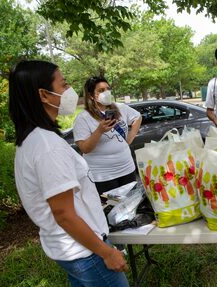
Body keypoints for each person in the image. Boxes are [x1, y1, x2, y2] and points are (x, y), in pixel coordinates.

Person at [8, 60, 129, 287]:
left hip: (73, 250)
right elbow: (63, 214)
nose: (69, 90)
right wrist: (106, 252)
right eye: (63, 85)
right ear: (44, 95)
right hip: (86, 252)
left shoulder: (34, 139)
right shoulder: (46, 145)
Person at [73, 76, 142, 195]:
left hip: (127, 168)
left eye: (107, 89)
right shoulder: (83, 118)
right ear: (91, 95)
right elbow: (84, 148)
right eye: (101, 90)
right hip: (102, 176)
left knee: (131, 205)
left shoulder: (120, 108)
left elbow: (137, 117)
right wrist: (99, 131)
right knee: (110, 209)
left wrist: (130, 138)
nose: (106, 92)